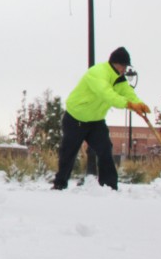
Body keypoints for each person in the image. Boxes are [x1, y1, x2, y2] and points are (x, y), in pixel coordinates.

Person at [52, 46, 150, 190]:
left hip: (95, 121)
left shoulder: (119, 78)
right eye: (123, 65)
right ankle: (59, 184)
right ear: (115, 63)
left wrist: (138, 104)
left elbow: (128, 92)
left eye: (126, 66)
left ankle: (109, 186)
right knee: (69, 152)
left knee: (105, 149)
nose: (124, 69)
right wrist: (128, 105)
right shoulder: (98, 73)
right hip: (76, 118)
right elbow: (107, 95)